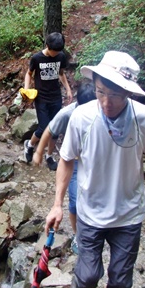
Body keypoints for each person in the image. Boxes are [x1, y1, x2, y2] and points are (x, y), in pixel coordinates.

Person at [44, 51, 145, 288]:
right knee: (90, 274)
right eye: (101, 92)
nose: (106, 102)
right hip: (90, 211)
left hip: (129, 214)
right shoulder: (82, 117)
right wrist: (57, 203)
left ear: (128, 93)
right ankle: (82, 278)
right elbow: (66, 159)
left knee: (121, 281)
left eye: (114, 96)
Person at [32, 82, 95, 253]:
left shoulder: (103, 110)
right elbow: (48, 130)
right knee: (74, 202)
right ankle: (78, 235)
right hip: (73, 161)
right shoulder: (67, 113)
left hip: (94, 160)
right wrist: (39, 152)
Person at [23, 32, 72, 163]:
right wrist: (26, 89)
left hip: (55, 96)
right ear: (47, 46)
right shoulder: (37, 58)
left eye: (58, 52)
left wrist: (68, 89)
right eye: (53, 51)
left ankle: (49, 156)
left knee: (55, 128)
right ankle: (30, 145)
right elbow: (29, 74)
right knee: (43, 127)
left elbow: (61, 73)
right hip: (41, 98)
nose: (55, 54)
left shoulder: (61, 56)